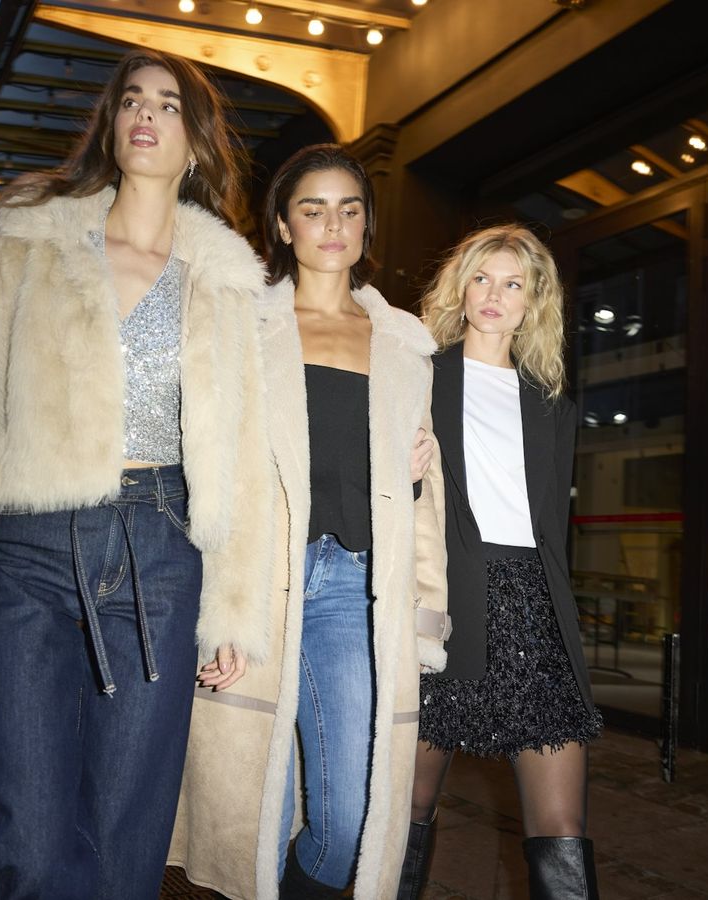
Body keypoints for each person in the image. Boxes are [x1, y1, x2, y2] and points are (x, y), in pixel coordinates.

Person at [0, 49, 275, 899]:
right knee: (26, 836)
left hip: (161, 551)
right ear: (110, 124)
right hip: (27, 547)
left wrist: (234, 606)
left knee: (122, 846)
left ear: (196, 141)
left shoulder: (227, 278)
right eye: (131, 100)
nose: (145, 114)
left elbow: (242, 450)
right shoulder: (31, 241)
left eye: (168, 105)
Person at [168, 144, 448, 899]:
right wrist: (220, 609)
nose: (333, 225)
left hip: (355, 588)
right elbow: (208, 469)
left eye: (349, 209)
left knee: (350, 821)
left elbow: (424, 500)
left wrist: (426, 611)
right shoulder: (241, 322)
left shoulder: (403, 343)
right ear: (284, 226)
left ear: (366, 226)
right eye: (313, 209)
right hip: (259, 577)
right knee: (255, 813)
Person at [399, 224, 603, 899]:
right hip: (445, 601)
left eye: (512, 283)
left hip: (534, 609)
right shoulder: (418, 377)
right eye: (482, 278)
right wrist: (399, 474)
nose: (494, 294)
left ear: (532, 301)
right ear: (460, 290)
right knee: (409, 805)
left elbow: (550, 535)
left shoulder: (552, 407)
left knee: (562, 823)